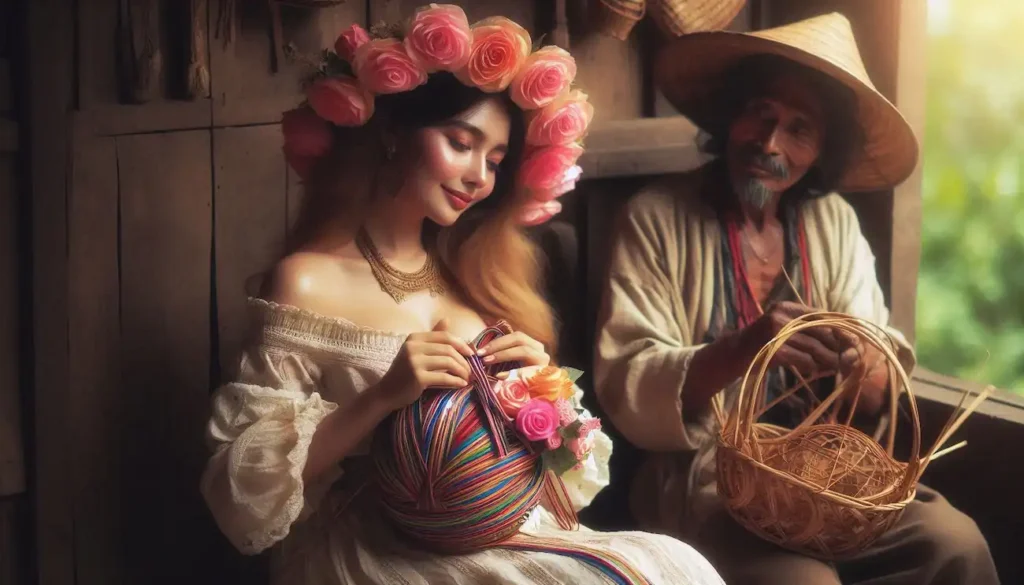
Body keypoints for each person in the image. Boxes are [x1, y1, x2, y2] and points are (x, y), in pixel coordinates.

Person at [200, 6, 725, 585]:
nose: (479, 176)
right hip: (375, 546)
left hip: (493, 529)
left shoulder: (477, 282)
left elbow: (563, 485)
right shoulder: (306, 281)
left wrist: (544, 402)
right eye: (460, 142)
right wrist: (381, 399)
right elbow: (242, 485)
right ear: (395, 135)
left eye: (495, 161)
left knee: (681, 568)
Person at [592, 12, 1000, 585]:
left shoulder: (832, 222)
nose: (769, 143)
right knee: (802, 580)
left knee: (956, 544)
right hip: (709, 473)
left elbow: (878, 375)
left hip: (824, 471)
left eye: (799, 128)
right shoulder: (657, 217)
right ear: (731, 116)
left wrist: (863, 364)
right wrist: (748, 345)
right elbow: (627, 374)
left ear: (822, 151)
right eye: (760, 113)